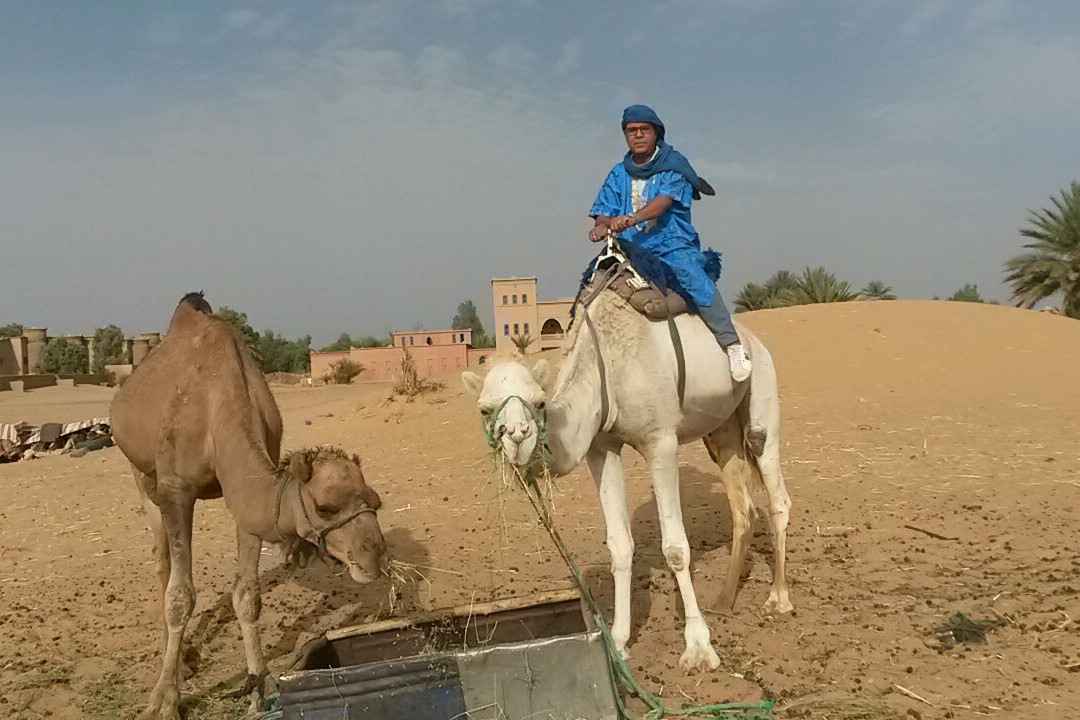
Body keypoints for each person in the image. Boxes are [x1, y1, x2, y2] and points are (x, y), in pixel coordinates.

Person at [588, 104, 752, 382]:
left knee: (692, 275)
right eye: (632, 131)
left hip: (670, 243)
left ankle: (731, 343)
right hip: (630, 246)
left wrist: (630, 218)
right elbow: (605, 206)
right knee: (593, 284)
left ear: (656, 133)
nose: (638, 135)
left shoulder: (674, 165)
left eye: (644, 130)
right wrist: (601, 226)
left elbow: (661, 204)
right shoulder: (618, 173)